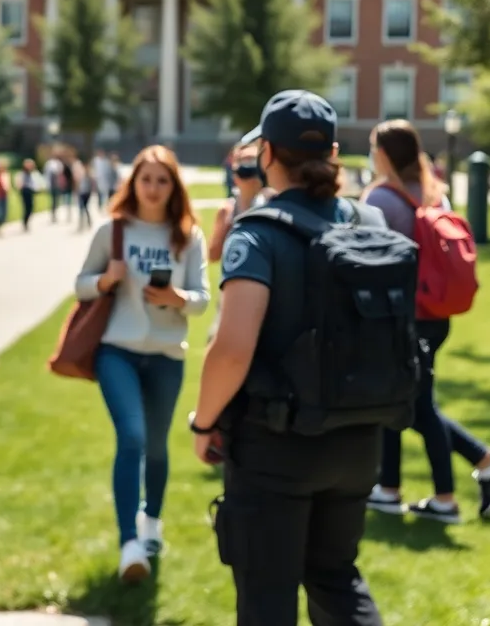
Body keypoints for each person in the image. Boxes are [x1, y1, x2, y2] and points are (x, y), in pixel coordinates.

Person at [191, 90, 402, 626]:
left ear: (265, 153)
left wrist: (204, 422)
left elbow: (232, 348)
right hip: (358, 438)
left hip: (276, 446)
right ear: (331, 151)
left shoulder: (258, 233)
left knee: (267, 597)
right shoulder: (370, 224)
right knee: (336, 580)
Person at [362, 120, 490, 523]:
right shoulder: (433, 194)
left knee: (417, 407)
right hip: (436, 314)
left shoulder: (381, 199)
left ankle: (466, 478)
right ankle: (389, 487)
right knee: (398, 401)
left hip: (402, 318)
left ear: (383, 154)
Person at [74, 145, 210, 584]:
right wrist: (106, 279)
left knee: (156, 446)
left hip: (167, 355)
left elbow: (203, 298)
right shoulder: (113, 229)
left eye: (162, 180)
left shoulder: (188, 236)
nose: (153, 188)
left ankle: (152, 521)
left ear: (174, 186)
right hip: (118, 351)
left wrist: (178, 299)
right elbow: (81, 286)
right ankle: (129, 542)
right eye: (145, 179)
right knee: (131, 438)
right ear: (133, 183)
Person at [205, 143, 267, 342]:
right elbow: (213, 255)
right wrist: (228, 226)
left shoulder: (271, 206)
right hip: (230, 293)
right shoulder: (227, 210)